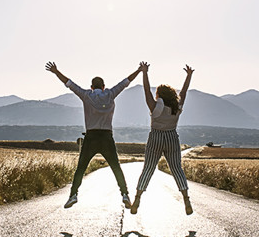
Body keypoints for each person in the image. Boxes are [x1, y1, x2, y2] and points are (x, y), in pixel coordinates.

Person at [45, 61, 142, 209]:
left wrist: (56, 71)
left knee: (81, 168)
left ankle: (73, 195)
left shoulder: (86, 95)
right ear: (103, 86)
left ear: (92, 87)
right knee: (116, 167)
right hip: (107, 137)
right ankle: (125, 194)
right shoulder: (110, 94)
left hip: (91, 137)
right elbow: (125, 82)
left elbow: (69, 84)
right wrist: (139, 70)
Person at [130, 62, 194, 215]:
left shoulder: (155, 106)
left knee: (148, 169)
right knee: (177, 169)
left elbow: (146, 90)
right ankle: (186, 199)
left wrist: (144, 73)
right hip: (172, 137)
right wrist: (189, 76)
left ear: (159, 95)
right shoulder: (177, 106)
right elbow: (184, 92)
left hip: (156, 137)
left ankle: (137, 198)